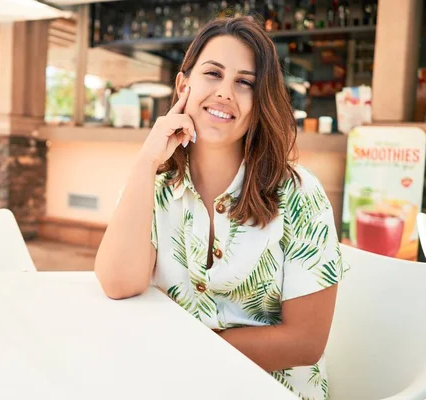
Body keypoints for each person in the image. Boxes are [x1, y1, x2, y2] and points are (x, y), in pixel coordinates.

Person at [94, 17, 345, 400]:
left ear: (260, 102)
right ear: (184, 86)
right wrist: (146, 160)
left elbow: (305, 341)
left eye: (245, 82)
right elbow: (118, 283)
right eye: (213, 74)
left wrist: (186, 353)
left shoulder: (299, 193)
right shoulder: (154, 186)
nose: (225, 93)